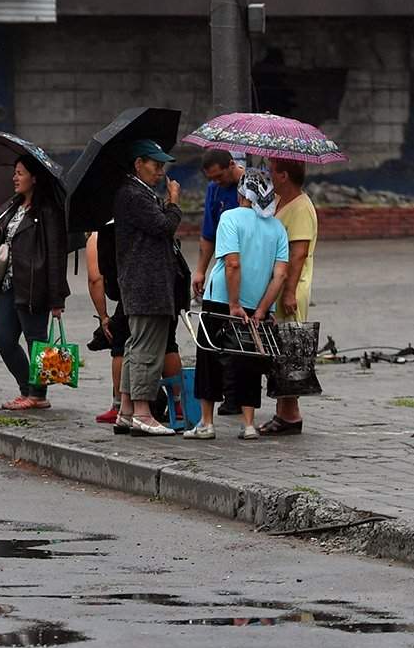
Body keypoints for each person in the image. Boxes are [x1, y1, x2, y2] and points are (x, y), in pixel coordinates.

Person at [188, 168, 289, 440]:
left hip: (222, 300)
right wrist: (260, 309)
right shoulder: (278, 228)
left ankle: (207, 424)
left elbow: (232, 263)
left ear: (242, 193)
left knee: (209, 358)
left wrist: (234, 304)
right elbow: (280, 275)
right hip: (256, 305)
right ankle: (248, 424)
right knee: (249, 362)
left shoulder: (230, 218)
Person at [0, 154, 69, 412]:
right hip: (9, 285)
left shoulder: (47, 211)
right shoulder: (13, 207)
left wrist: (57, 299)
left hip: (35, 286)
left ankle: (37, 395)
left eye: (20, 173)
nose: (15, 178)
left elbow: (55, 255)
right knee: (2, 337)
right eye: (14, 172)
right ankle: (27, 388)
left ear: (34, 178)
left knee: (37, 343)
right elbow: (8, 242)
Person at [111, 139, 182, 437]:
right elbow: (164, 227)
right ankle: (142, 412)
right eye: (156, 165)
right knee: (146, 348)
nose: (160, 171)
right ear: (139, 164)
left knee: (135, 345)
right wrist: (174, 202)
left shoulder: (139, 193)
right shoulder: (133, 194)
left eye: (162, 165)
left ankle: (126, 411)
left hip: (143, 283)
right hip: (147, 284)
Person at [88, 226, 188, 434]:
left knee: (124, 348)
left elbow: (95, 278)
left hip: (133, 295)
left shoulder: (99, 235)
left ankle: (123, 407)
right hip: (159, 291)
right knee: (167, 344)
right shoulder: (142, 226)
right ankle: (177, 403)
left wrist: (104, 315)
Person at [262, 158, 319, 436]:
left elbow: (298, 254)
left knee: (290, 347)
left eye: (272, 170)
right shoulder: (279, 201)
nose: (268, 175)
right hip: (279, 283)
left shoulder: (300, 208)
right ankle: (282, 411)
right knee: (279, 349)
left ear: (284, 175)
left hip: (292, 287)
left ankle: (290, 414)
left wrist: (288, 292)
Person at [191, 149, 244, 302]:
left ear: (232, 164)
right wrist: (201, 271)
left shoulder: (252, 187)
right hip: (226, 263)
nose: (217, 181)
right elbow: (208, 235)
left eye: (219, 176)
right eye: (212, 178)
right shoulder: (213, 189)